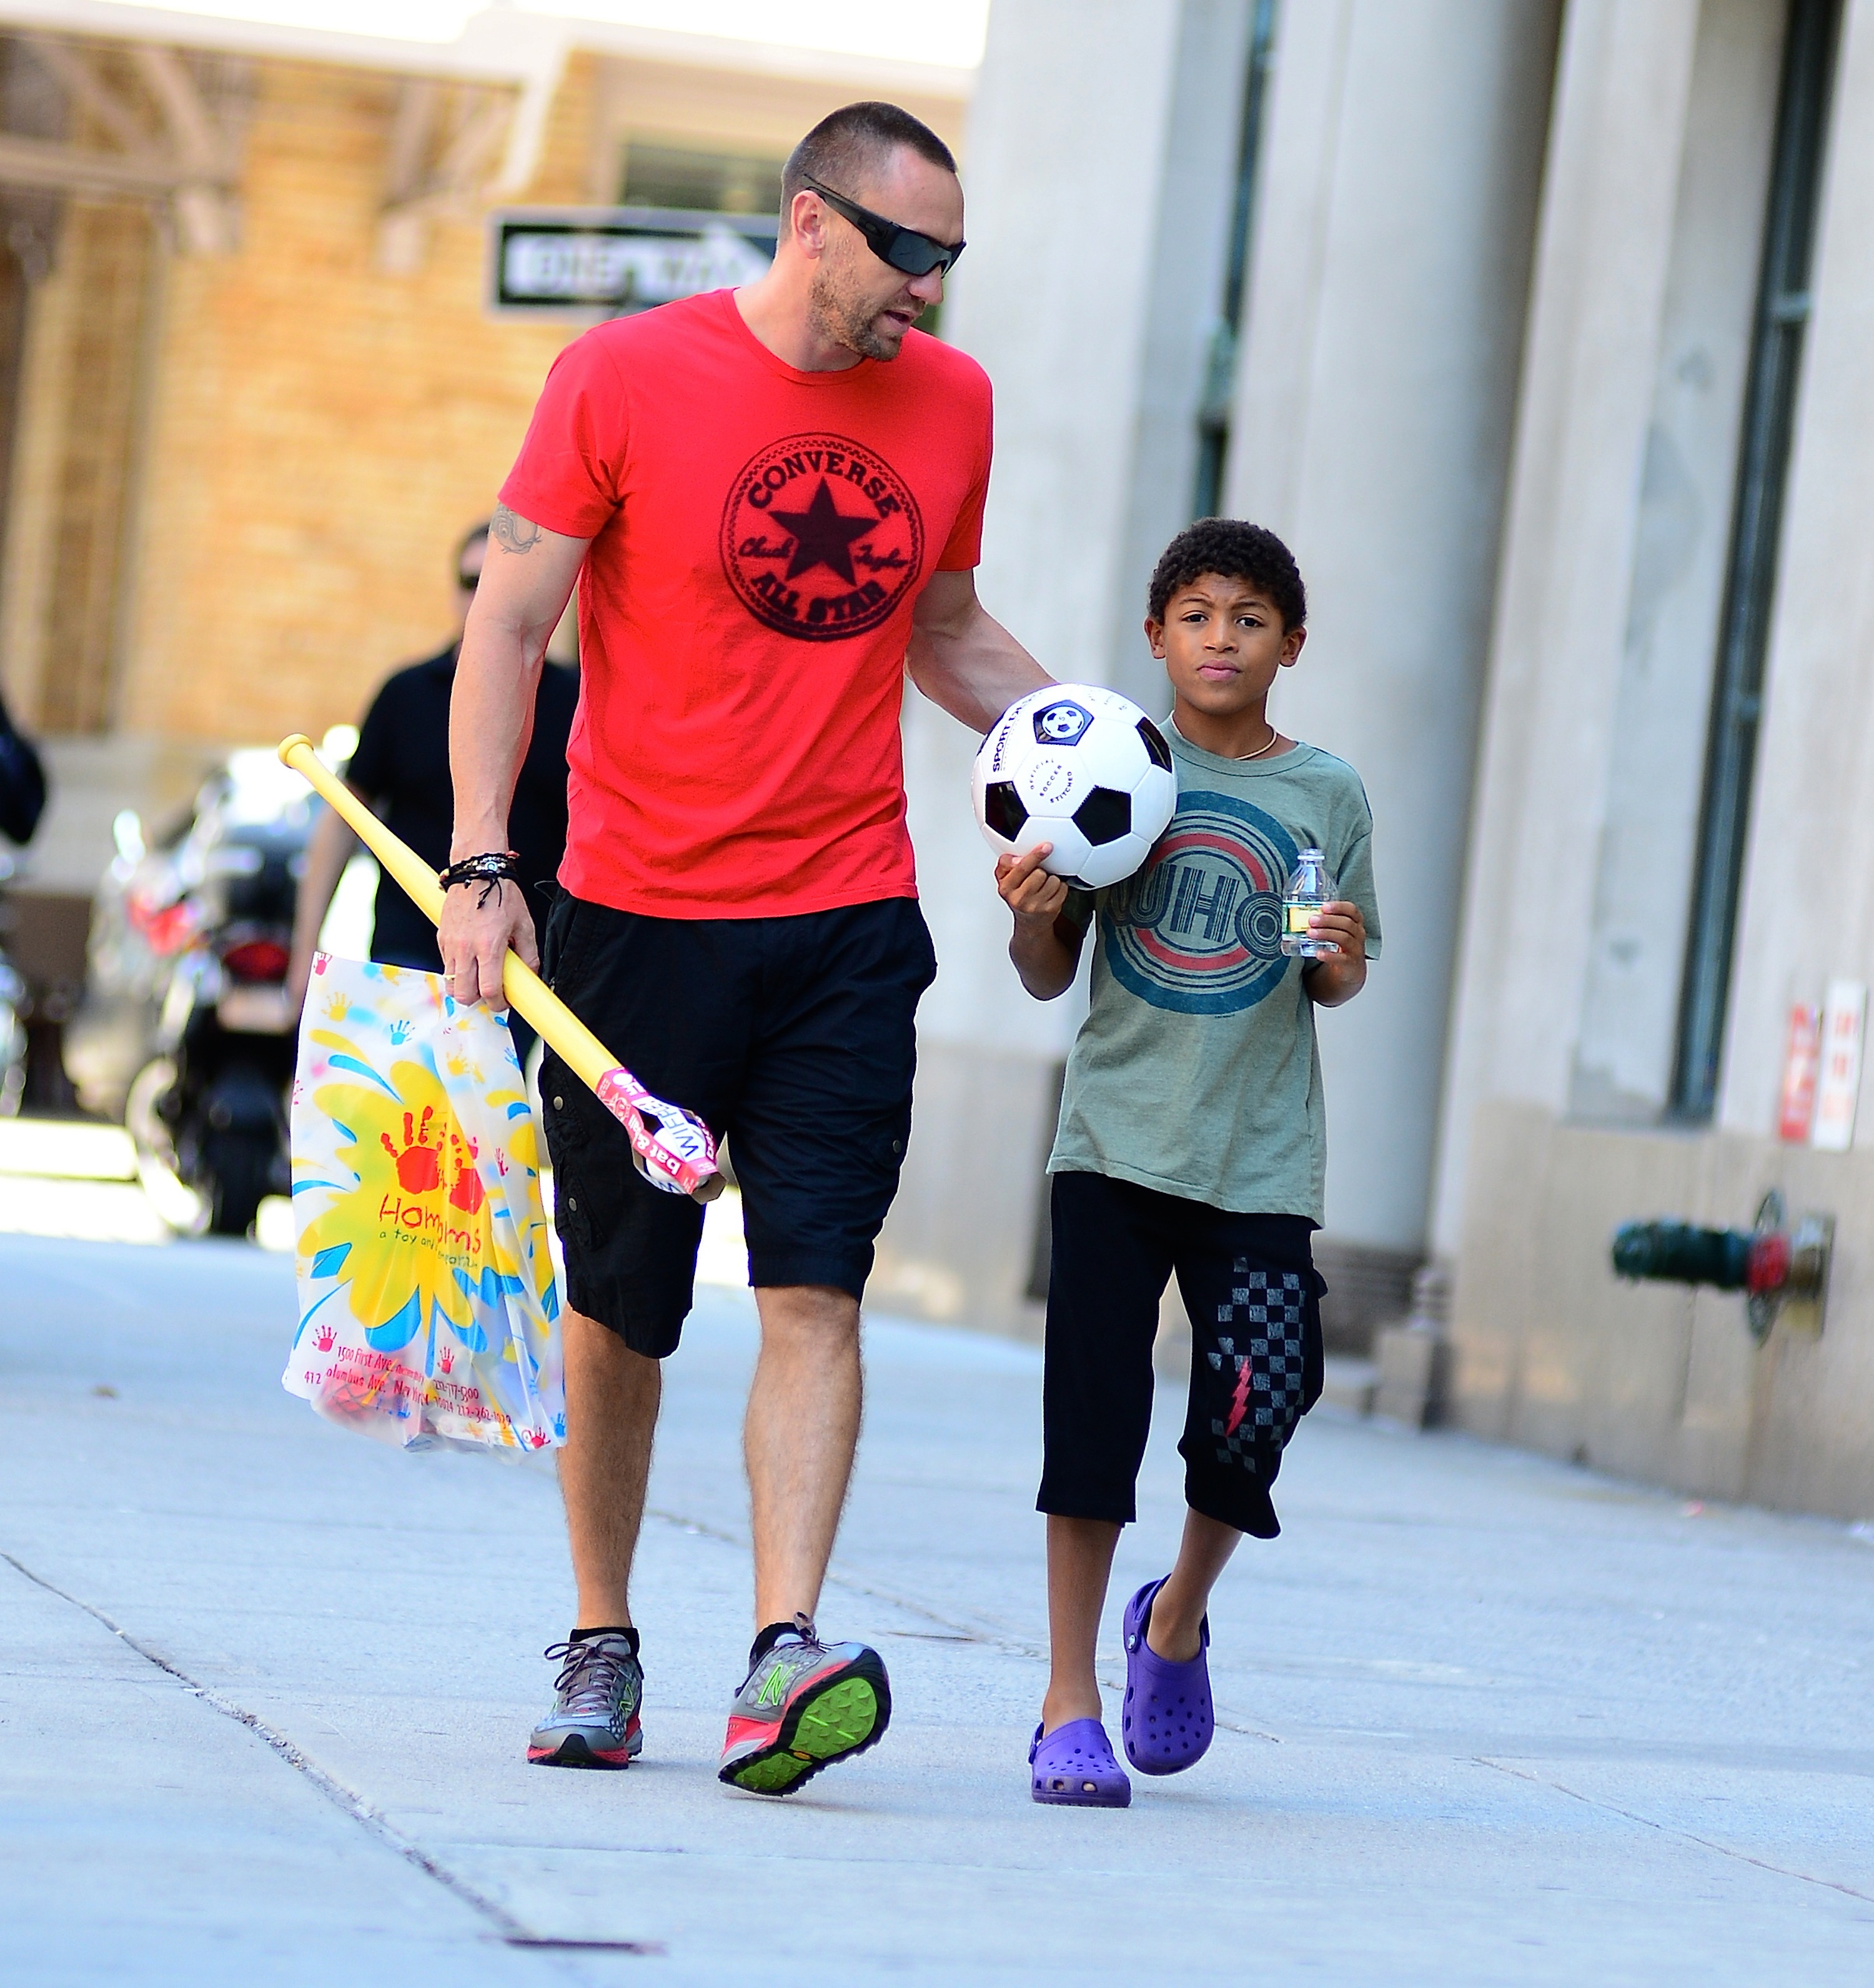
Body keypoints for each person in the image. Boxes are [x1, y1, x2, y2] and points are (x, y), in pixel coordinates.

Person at [439, 101, 1048, 1794]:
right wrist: (485, 857)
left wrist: (1086, 754)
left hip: (847, 917)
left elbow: (939, 625)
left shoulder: (952, 402)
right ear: (809, 223)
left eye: (949, 259)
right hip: (638, 915)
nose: (924, 293)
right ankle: (603, 1630)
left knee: (816, 1282)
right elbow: (513, 617)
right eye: (904, 253)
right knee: (622, 1303)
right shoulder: (624, 378)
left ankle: (785, 1651)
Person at [994, 519, 1379, 1807]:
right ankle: (1066, 1704)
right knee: (1092, 1423)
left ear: (1293, 645)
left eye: (1251, 618)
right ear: (1156, 635)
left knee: (1255, 1411)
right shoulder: (1113, 769)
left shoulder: (1325, 793)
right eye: (1198, 615)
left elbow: (1334, 977)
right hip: (1112, 1141)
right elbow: (1049, 973)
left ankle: (1175, 1614)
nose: (1223, 638)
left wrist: (1332, 947)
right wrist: (1035, 922)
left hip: (1260, 1158)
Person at [287, 522, 577, 1065]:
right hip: (407, 953)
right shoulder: (405, 694)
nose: (482, 596)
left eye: (499, 581)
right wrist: (304, 949)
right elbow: (343, 822)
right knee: (397, 1125)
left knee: (479, 1135)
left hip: (516, 964)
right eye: (472, 581)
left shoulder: (574, 700)